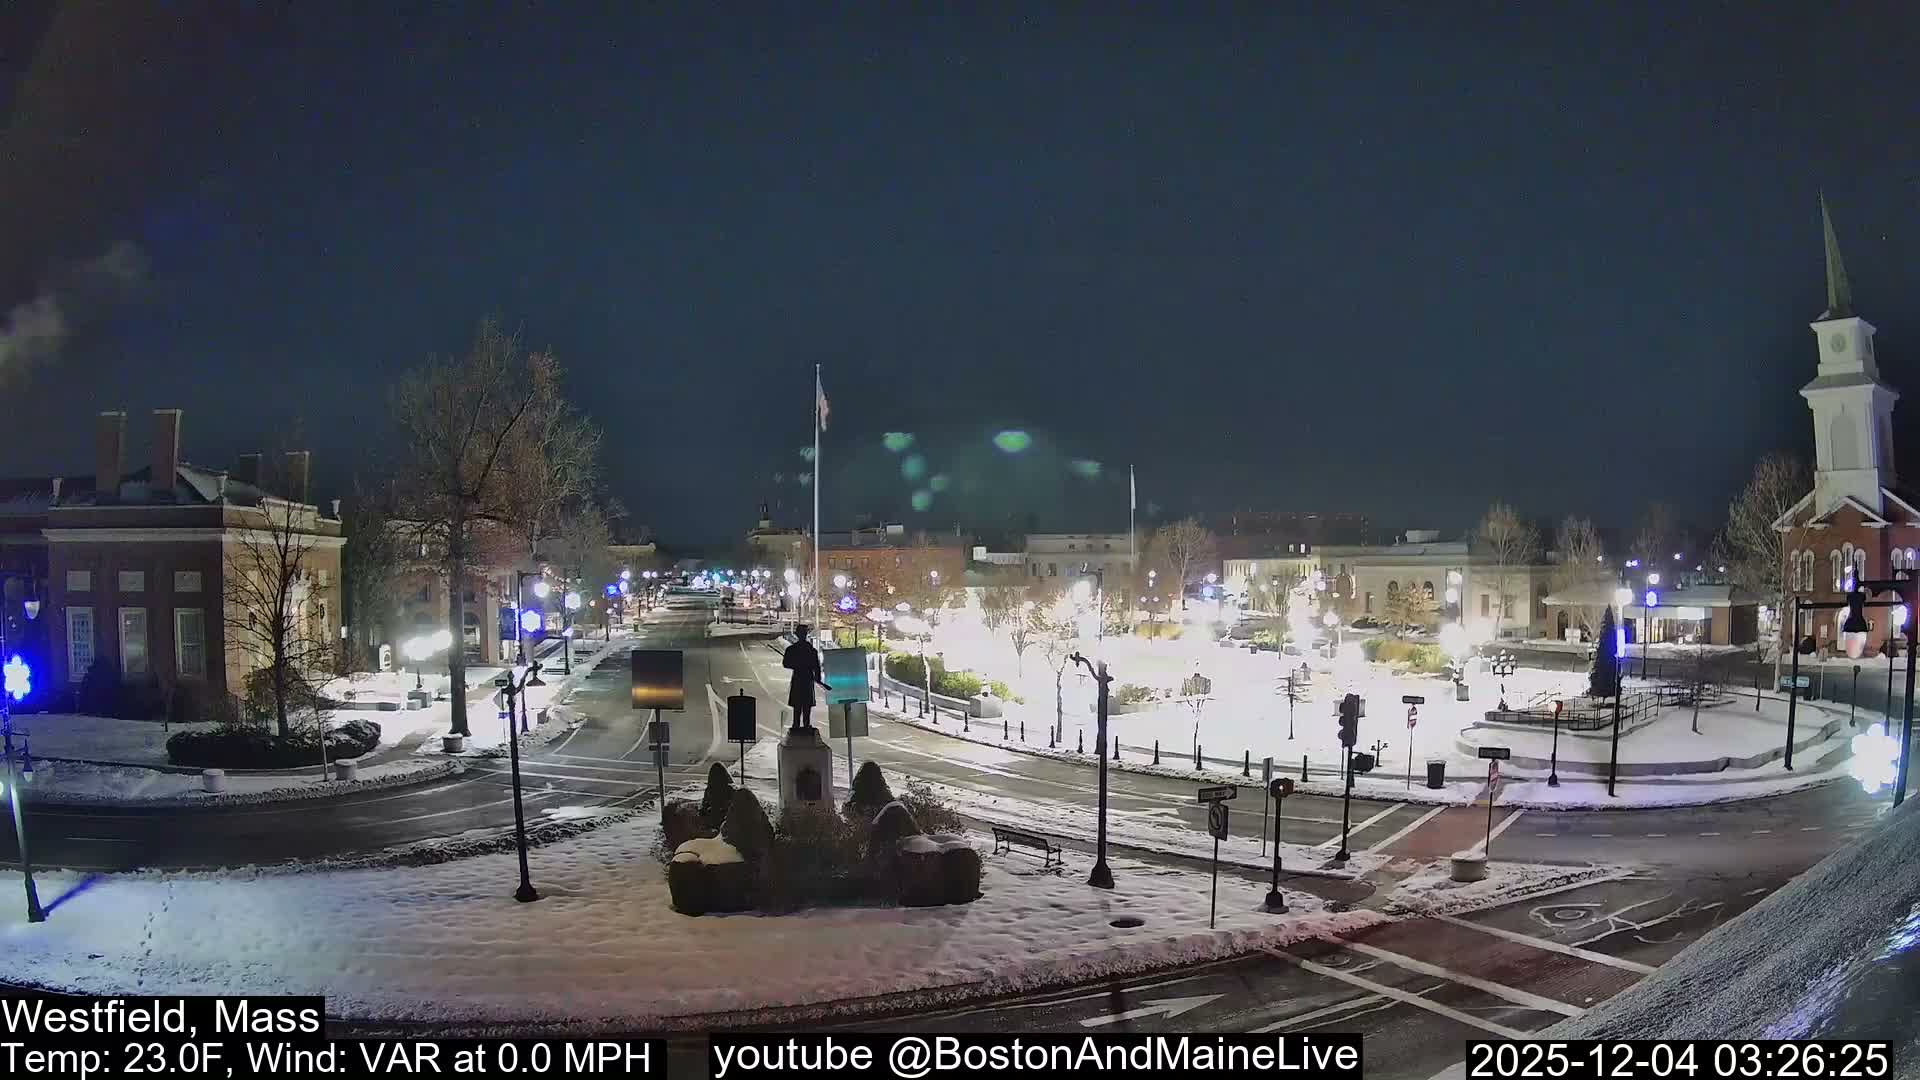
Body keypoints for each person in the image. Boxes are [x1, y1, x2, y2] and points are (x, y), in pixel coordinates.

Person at [783, 624, 830, 731]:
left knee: (800, 704)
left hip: (800, 678)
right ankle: (803, 724)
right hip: (806, 678)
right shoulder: (810, 650)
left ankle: (799, 724)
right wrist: (817, 677)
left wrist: (796, 665)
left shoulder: (793, 650)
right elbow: (816, 667)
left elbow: (786, 663)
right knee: (803, 704)